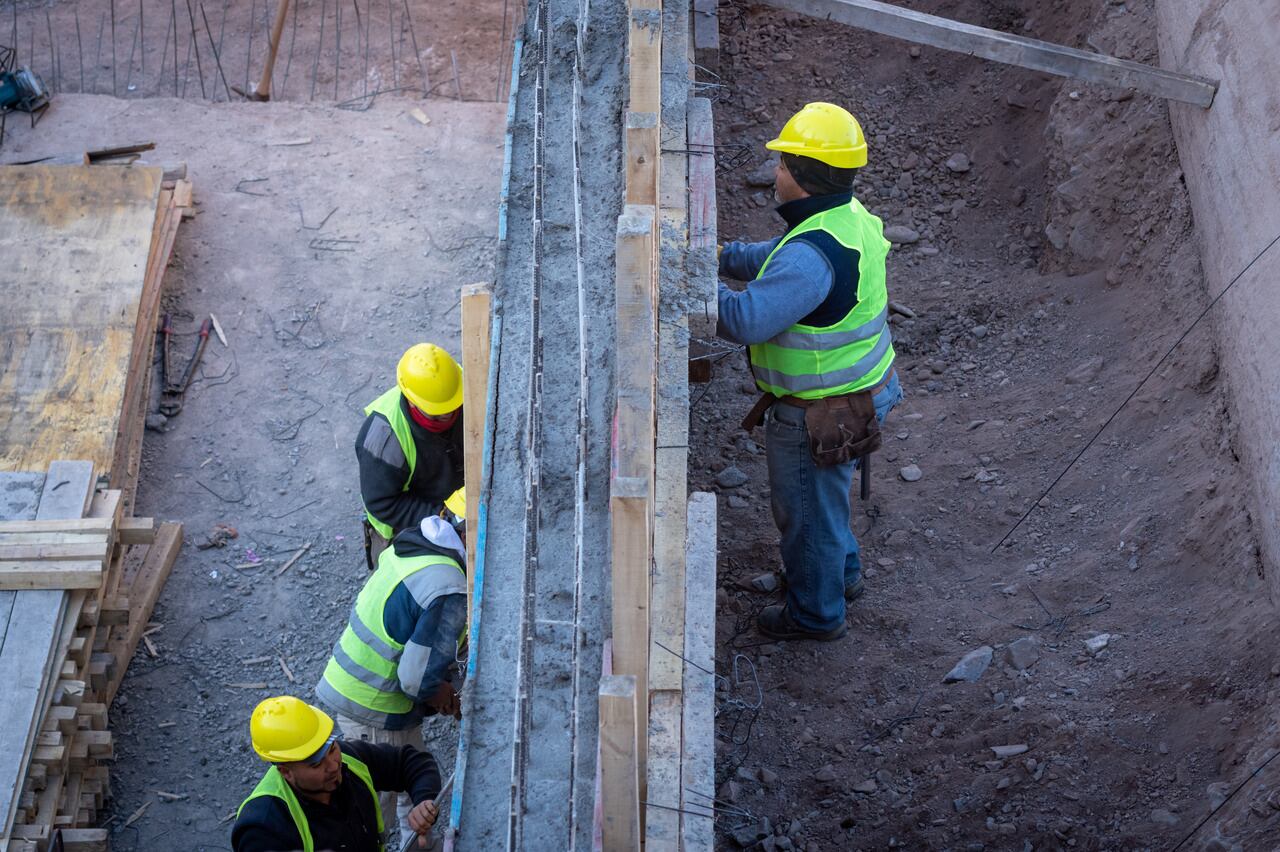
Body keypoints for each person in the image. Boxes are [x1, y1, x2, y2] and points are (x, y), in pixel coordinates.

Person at [717, 102, 904, 642]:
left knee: (806, 514)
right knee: (825, 500)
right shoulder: (844, 217)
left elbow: (744, 318)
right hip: (865, 389)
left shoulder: (810, 256)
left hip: (820, 411)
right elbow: (779, 257)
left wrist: (684, 283)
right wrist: (720, 256)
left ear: (798, 176)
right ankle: (840, 577)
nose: (773, 171)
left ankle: (816, 614)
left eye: (780, 163)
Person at [315, 511, 467, 838]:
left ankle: (419, 844)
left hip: (355, 683)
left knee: (412, 784)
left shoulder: (419, 547)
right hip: (374, 704)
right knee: (374, 807)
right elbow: (415, 680)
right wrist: (445, 695)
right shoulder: (449, 587)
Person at [232, 695, 442, 852]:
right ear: (285, 771)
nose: (333, 766)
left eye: (331, 749)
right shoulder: (263, 826)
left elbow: (411, 762)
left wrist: (424, 800)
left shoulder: (350, 758)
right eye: (315, 764)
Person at [357, 343, 465, 568]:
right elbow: (384, 503)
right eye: (440, 414)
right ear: (413, 403)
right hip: (409, 526)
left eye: (453, 408)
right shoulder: (383, 439)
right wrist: (443, 518)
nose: (450, 415)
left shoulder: (459, 388)